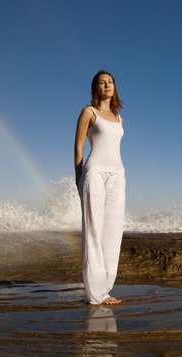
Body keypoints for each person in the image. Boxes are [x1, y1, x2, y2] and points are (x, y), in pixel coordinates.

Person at [74, 70, 125, 305]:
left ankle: (105, 288)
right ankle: (96, 294)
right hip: (93, 173)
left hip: (118, 175)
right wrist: (78, 180)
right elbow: (79, 149)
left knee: (113, 232)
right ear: (96, 88)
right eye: (102, 82)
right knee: (93, 231)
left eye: (111, 82)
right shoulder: (89, 112)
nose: (107, 85)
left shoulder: (118, 117)